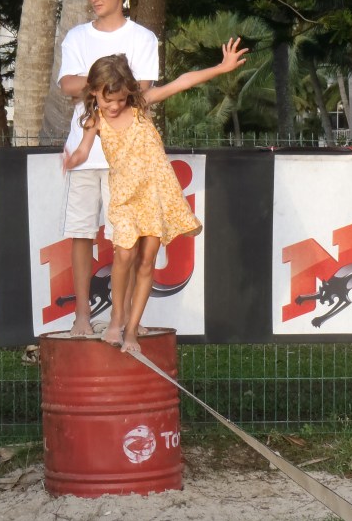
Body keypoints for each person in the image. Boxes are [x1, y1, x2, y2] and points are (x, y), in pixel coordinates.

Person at [64, 38, 249, 353]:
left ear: (128, 93)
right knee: (123, 254)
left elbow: (181, 82)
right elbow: (83, 150)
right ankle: (117, 319)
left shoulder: (140, 106)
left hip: (154, 193)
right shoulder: (95, 120)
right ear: (93, 92)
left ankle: (132, 330)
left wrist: (221, 67)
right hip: (124, 196)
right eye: (108, 100)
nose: (114, 107)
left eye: (120, 99)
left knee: (146, 261)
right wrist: (72, 159)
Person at [58, 0, 159, 336]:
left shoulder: (143, 38)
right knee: (81, 233)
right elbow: (66, 85)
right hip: (84, 153)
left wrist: (92, 86)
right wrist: (107, 82)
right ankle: (82, 317)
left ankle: (124, 320)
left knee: (126, 243)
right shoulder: (77, 37)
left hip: (127, 157)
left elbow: (142, 90)